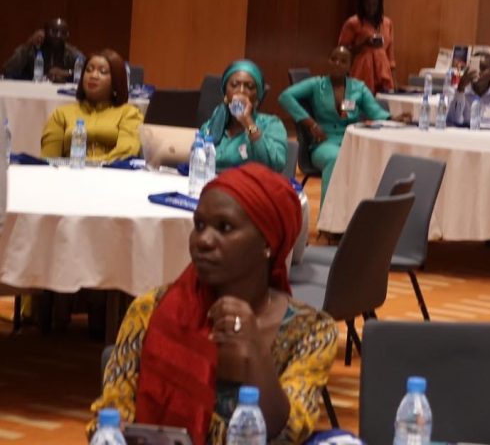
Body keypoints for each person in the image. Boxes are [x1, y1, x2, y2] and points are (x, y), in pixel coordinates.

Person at [90, 164, 339, 445]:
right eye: (199, 226)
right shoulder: (152, 310)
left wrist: (255, 350)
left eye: (225, 227)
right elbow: (110, 417)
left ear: (267, 243)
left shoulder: (311, 330)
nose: (204, 241)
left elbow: (287, 433)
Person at [278, 46, 391, 205]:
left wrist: (395, 119)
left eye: (343, 61)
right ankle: (327, 216)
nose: (337, 63)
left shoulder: (358, 88)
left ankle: (359, 212)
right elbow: (285, 97)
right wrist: (311, 124)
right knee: (335, 158)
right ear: (328, 61)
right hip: (324, 143)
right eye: (334, 59)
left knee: (376, 158)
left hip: (352, 142)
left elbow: (377, 113)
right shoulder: (316, 84)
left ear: (350, 66)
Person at [40, 49, 142, 161]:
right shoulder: (61, 114)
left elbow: (126, 152)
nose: (93, 75)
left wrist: (89, 164)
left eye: (102, 72)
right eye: (88, 70)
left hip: (112, 170)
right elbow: (48, 157)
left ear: (116, 81)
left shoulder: (129, 114)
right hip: (69, 171)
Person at [200, 60, 288, 174]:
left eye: (250, 87)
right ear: (225, 92)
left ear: (258, 95)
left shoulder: (271, 124)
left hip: (250, 184)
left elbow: (276, 165)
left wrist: (248, 122)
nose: (241, 91)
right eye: (234, 85)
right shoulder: (211, 125)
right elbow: (197, 160)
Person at [338, 0, 395, 93]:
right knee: (357, 100)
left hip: (383, 71)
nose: (371, 7)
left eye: (374, 4)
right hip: (361, 70)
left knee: (381, 102)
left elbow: (391, 56)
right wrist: (364, 44)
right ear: (362, 3)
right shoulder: (353, 23)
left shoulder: (387, 23)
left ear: (379, 4)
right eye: (367, 3)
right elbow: (342, 52)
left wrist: (394, 80)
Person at [5, 18, 83, 82]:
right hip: (32, 87)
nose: (58, 36)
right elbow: (8, 70)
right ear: (45, 32)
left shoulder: (70, 52)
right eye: (54, 31)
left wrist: (67, 72)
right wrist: (27, 45)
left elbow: (86, 70)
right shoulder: (32, 48)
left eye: (63, 33)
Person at [447, 52, 490, 127]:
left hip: (488, 133)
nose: (478, 72)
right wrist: (460, 89)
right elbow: (453, 119)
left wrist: (475, 123)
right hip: (462, 133)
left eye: (483, 68)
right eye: (475, 68)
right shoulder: (456, 90)